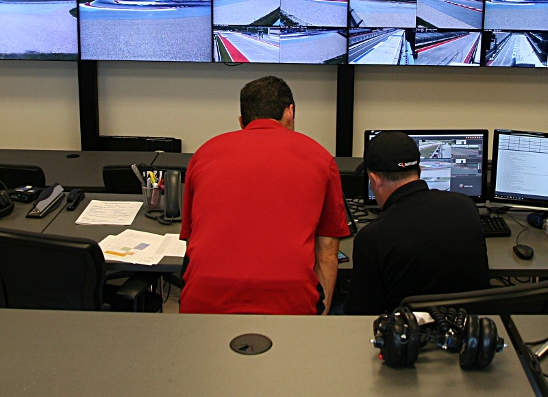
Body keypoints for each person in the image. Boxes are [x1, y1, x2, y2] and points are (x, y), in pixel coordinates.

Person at [179, 76, 349, 315]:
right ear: (290, 113)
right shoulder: (321, 157)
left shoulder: (203, 154)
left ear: (242, 121)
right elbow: (328, 253)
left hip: (204, 301)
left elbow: (191, 240)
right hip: (291, 303)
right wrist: (320, 318)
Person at [344, 131, 489, 315]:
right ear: (420, 171)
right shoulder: (465, 206)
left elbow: (360, 313)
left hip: (408, 330)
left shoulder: (372, 238)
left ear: (374, 179)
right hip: (468, 326)